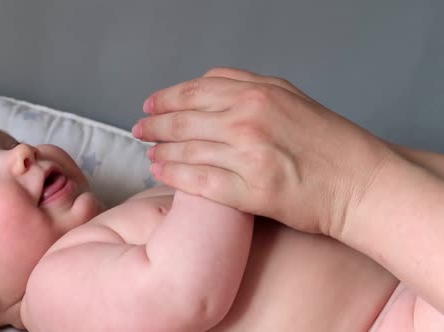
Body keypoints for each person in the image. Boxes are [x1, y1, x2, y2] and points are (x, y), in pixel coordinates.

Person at [0, 120, 417, 332]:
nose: (22, 151)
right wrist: (211, 163)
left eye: (4, 140)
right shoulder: (53, 291)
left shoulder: (133, 209)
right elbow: (182, 294)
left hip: (398, 267)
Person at [133, 67, 444, 331]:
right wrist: (350, 187)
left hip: (405, 279)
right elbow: (178, 294)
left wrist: (347, 155)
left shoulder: (126, 213)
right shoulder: (83, 276)